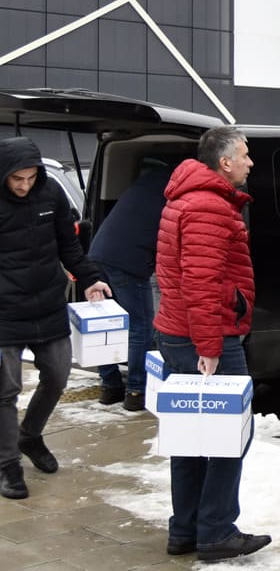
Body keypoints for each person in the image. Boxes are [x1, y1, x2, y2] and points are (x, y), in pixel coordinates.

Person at [153, 127, 271, 562]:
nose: (250, 162)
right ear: (224, 163)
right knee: (230, 434)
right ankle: (216, 531)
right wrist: (210, 346)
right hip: (206, 335)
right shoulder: (208, 206)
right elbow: (200, 282)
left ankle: (185, 529)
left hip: (178, 331)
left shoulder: (187, 197)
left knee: (189, 435)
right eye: (245, 155)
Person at [0, 137, 111, 500]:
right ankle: (8, 466)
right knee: (6, 391)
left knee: (58, 376)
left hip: (48, 304)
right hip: (5, 312)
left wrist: (91, 278)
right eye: (17, 179)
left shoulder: (51, 195)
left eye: (30, 178)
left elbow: (69, 244)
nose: (24, 185)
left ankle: (30, 435)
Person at [91, 161, 172, 411]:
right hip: (127, 263)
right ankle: (136, 390)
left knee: (107, 326)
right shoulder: (175, 190)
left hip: (98, 254)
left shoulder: (147, 182)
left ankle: (110, 386)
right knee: (140, 328)